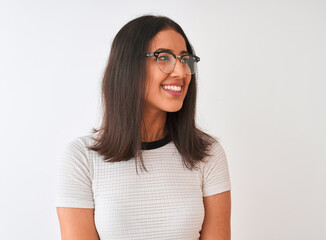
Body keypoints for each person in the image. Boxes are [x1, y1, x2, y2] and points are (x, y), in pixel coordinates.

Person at [55, 14, 231, 240]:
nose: (181, 72)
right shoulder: (80, 158)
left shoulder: (207, 154)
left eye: (185, 59)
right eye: (164, 58)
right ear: (129, 67)